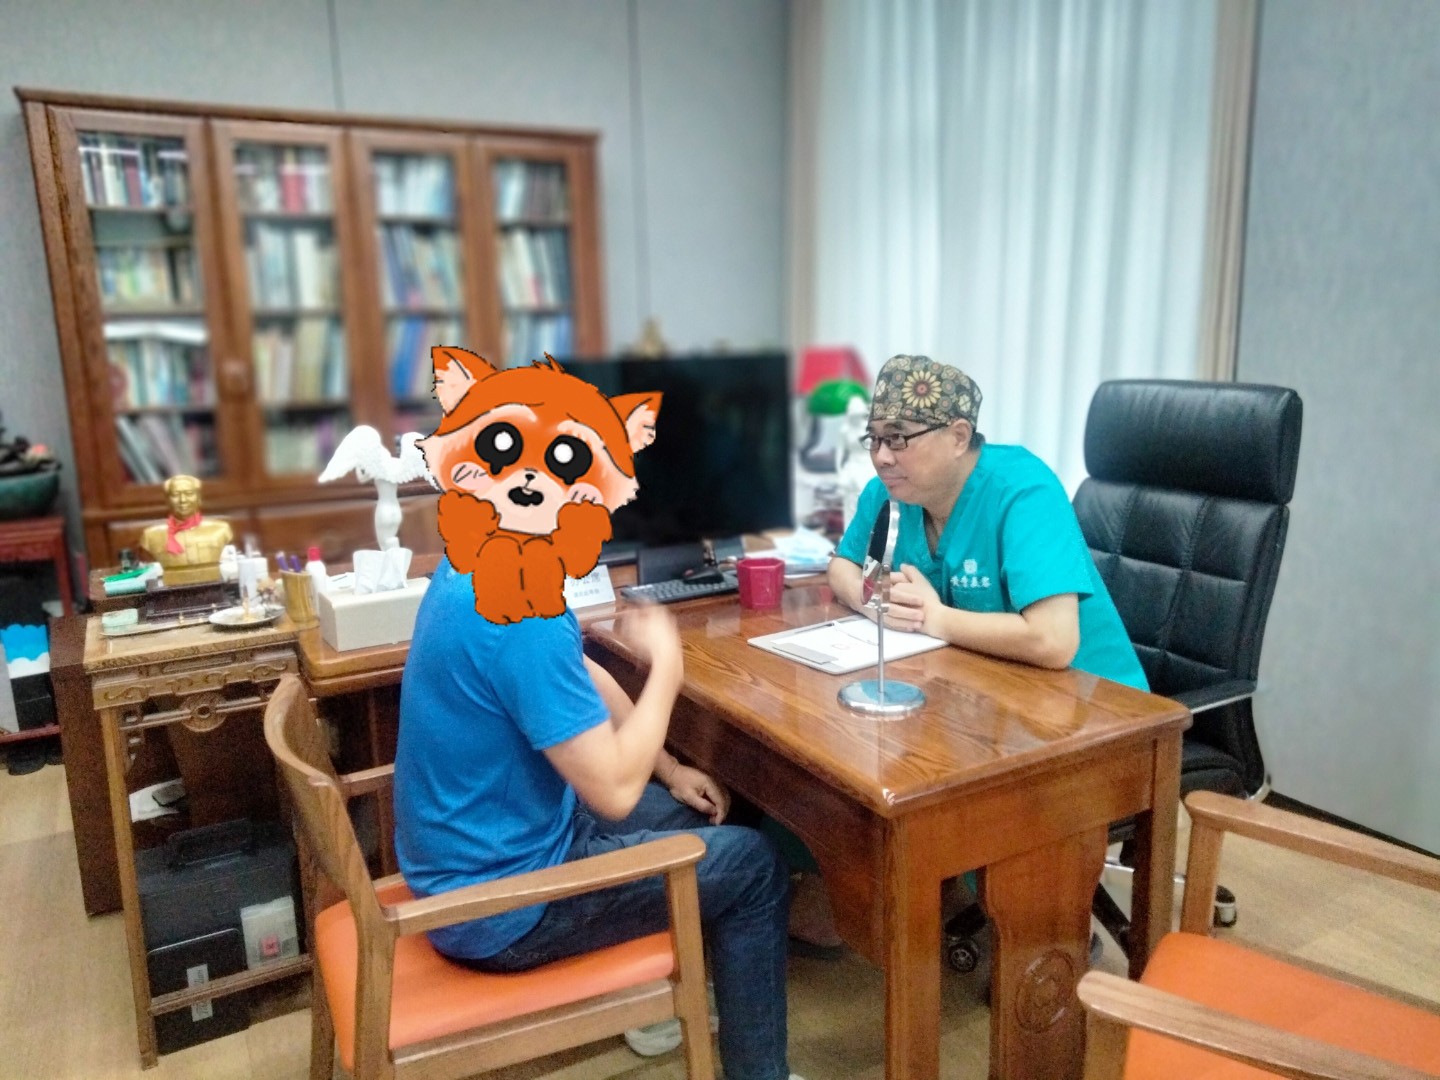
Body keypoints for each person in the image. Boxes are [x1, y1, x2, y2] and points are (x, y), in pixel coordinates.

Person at [786, 353, 1148, 954]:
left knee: (964, 797)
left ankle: (1047, 929)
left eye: (899, 438)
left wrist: (935, 618)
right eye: (874, 438)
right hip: (975, 695)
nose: (882, 457)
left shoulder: (1021, 490)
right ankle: (877, 889)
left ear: (958, 437)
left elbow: (1054, 641)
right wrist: (876, 603)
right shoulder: (892, 495)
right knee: (835, 751)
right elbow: (843, 567)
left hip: (1091, 714)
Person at [394, 557, 802, 1080]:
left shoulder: (476, 563)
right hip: (499, 908)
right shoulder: (524, 614)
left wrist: (669, 768)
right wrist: (668, 667)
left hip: (486, 849)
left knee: (701, 816)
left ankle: (660, 1005)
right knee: (754, 866)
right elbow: (616, 794)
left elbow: (582, 674)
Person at [138, 474, 233, 585]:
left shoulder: (221, 529)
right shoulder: (151, 536)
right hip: (172, 590)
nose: (183, 500)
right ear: (167, 500)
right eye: (175, 495)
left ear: (199, 497)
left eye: (189, 494)